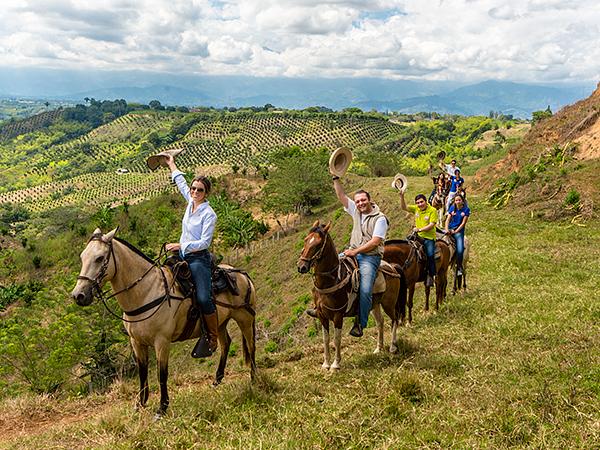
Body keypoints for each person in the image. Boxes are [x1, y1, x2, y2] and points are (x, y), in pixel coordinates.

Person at [310, 176, 388, 338]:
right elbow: (341, 196)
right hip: (351, 252)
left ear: (369, 200)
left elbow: (375, 242)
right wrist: (335, 177)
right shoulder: (356, 212)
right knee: (323, 270)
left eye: (363, 200)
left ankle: (360, 323)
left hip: (369, 258)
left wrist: (356, 251)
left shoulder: (380, 219)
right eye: (358, 201)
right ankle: (320, 307)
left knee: (366, 289)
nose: (360, 204)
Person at [164, 154, 219, 358]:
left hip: (198, 259)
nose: (195, 192)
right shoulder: (190, 202)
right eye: (193, 189)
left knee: (204, 298)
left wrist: (181, 245)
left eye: (199, 190)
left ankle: (212, 337)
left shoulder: (209, 214)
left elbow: (204, 242)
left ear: (206, 193)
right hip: (181, 255)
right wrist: (171, 164)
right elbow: (180, 182)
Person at [399, 191, 437, 287]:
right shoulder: (416, 209)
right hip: (417, 236)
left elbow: (432, 225)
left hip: (429, 237)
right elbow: (404, 207)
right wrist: (402, 196)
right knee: (405, 247)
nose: (420, 204)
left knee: (430, 254)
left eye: (421, 202)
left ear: (426, 201)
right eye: (418, 203)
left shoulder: (432, 210)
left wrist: (419, 229)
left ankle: (431, 275)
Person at [444, 193, 470, 276]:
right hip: (450, 229)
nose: (457, 202)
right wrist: (446, 229)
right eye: (456, 200)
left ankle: (459, 267)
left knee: (460, 249)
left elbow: (463, 223)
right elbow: (447, 220)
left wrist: (456, 231)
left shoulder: (466, 210)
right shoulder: (452, 208)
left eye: (459, 200)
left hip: (459, 231)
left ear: (462, 201)